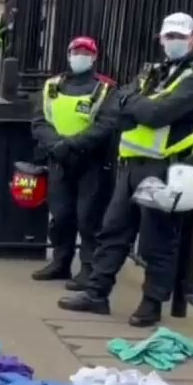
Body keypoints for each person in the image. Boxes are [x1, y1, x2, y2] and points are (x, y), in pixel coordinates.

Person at [58, 12, 193, 327]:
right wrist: (135, 105)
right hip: (132, 165)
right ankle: (96, 293)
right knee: (113, 231)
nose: (174, 41)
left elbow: (158, 113)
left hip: (164, 167)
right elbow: (116, 101)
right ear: (160, 38)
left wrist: (134, 105)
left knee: (157, 240)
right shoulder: (155, 71)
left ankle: (152, 303)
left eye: (180, 36)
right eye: (169, 36)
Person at [30, 36, 117, 290]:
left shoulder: (105, 88)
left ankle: (88, 268)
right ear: (68, 54)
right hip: (59, 159)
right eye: (76, 51)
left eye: (85, 52)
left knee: (89, 217)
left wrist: (72, 144)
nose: (80, 56)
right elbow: (39, 120)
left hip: (91, 161)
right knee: (61, 214)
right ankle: (61, 262)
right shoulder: (52, 86)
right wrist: (56, 144)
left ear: (94, 57)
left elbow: (106, 124)